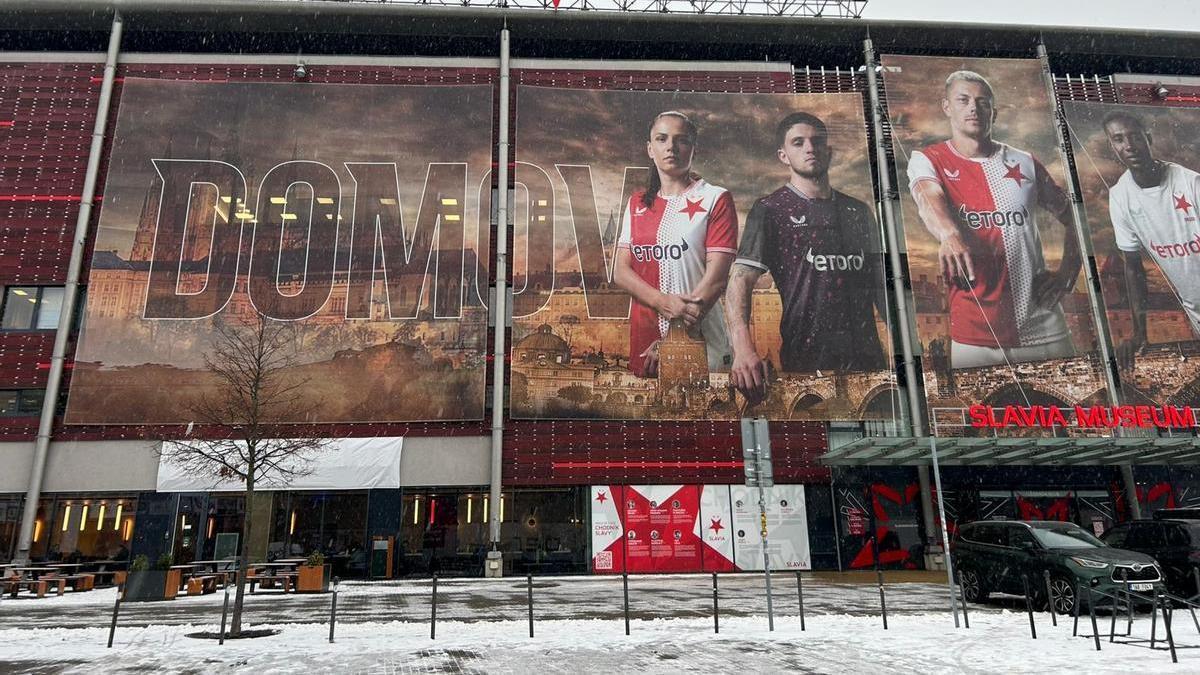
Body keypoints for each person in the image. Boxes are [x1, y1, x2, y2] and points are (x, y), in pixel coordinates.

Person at [908, 70, 1082, 369]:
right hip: (973, 336)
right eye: (963, 100)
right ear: (947, 107)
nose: (973, 108)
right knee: (979, 416)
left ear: (994, 112)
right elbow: (928, 197)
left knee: (1068, 415)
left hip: (1044, 329)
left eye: (982, 101)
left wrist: (1067, 274)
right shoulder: (928, 158)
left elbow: (1076, 219)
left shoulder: (1024, 161)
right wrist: (950, 234)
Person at [726, 112, 888, 403]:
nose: (810, 148)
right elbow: (740, 279)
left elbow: (881, 286)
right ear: (783, 155)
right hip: (807, 362)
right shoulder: (770, 209)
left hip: (868, 360)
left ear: (829, 151)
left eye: (817, 141)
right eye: (798, 143)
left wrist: (904, 350)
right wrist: (742, 347)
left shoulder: (858, 211)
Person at [614, 111, 738, 378]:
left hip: (698, 341)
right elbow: (621, 272)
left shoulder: (716, 198)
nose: (671, 146)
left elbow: (715, 280)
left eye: (681, 140)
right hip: (644, 340)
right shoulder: (636, 203)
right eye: (662, 139)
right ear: (650, 148)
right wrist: (661, 302)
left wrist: (672, 342)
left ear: (693, 148)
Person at [1101, 110, 1200, 371]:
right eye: (1119, 139)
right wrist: (1139, 333)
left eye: (1134, 136)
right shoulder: (1120, 197)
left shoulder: (1191, 184)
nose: (1129, 145)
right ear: (1113, 147)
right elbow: (1133, 268)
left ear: (1148, 138)